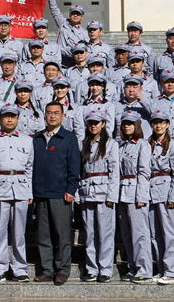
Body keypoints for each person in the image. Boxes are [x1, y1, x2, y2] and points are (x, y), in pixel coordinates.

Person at [0, 105, 34, 283]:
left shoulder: (27, 140)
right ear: (0, 118)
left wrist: (29, 191)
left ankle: (20, 269)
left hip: (20, 190)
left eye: (13, 116)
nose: (9, 120)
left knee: (19, 233)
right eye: (6, 116)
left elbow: (29, 168)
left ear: (18, 118)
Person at [32, 102, 81, 286]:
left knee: (62, 234)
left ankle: (62, 270)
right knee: (43, 234)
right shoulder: (37, 137)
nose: (52, 116)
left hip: (60, 193)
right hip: (40, 192)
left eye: (56, 113)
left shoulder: (68, 138)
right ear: (44, 115)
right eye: (49, 113)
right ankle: (47, 270)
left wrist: (71, 189)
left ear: (62, 116)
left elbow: (74, 165)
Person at [77, 111, 119, 283]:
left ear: (103, 124)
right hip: (87, 192)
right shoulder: (82, 143)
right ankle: (92, 268)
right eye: (90, 123)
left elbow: (114, 171)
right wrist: (78, 193)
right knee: (90, 233)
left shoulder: (110, 143)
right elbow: (79, 170)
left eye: (96, 122)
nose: (93, 125)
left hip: (104, 193)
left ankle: (105, 269)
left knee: (105, 233)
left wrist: (112, 195)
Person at [116, 111, 153, 283]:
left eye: (130, 124)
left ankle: (144, 270)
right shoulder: (121, 146)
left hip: (136, 192)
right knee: (127, 234)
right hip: (122, 193)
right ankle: (133, 268)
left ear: (137, 125)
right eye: (124, 124)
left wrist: (141, 196)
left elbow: (144, 172)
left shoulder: (143, 145)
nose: (127, 126)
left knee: (140, 234)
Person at [147, 112, 174, 285]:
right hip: (151, 192)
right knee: (155, 234)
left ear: (167, 124)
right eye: (155, 123)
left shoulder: (173, 145)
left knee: (170, 233)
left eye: (161, 123)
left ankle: (172, 271)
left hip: (167, 191)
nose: (158, 126)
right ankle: (162, 269)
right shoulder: (148, 143)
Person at [47, 0, 87, 67]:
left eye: (78, 14)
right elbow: (54, 8)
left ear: (82, 16)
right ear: (69, 14)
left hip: (73, 66)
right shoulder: (63, 22)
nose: (75, 15)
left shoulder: (85, 34)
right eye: (73, 13)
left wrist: (60, 49)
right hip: (59, 64)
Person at [114, 75, 153, 140]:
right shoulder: (116, 106)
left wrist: (142, 100)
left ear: (141, 89)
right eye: (128, 87)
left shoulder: (148, 104)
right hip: (122, 143)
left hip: (143, 142)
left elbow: (157, 114)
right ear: (124, 88)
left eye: (135, 87)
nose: (131, 90)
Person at [80, 74, 117, 140]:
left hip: (103, 139)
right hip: (87, 139)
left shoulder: (108, 105)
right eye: (92, 85)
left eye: (97, 85)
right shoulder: (84, 105)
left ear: (103, 87)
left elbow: (109, 127)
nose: (94, 88)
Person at [49, 77, 84, 143]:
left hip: (69, 143)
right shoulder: (48, 107)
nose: (59, 90)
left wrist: (76, 147)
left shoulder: (75, 108)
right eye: (57, 88)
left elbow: (79, 132)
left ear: (67, 89)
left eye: (62, 88)